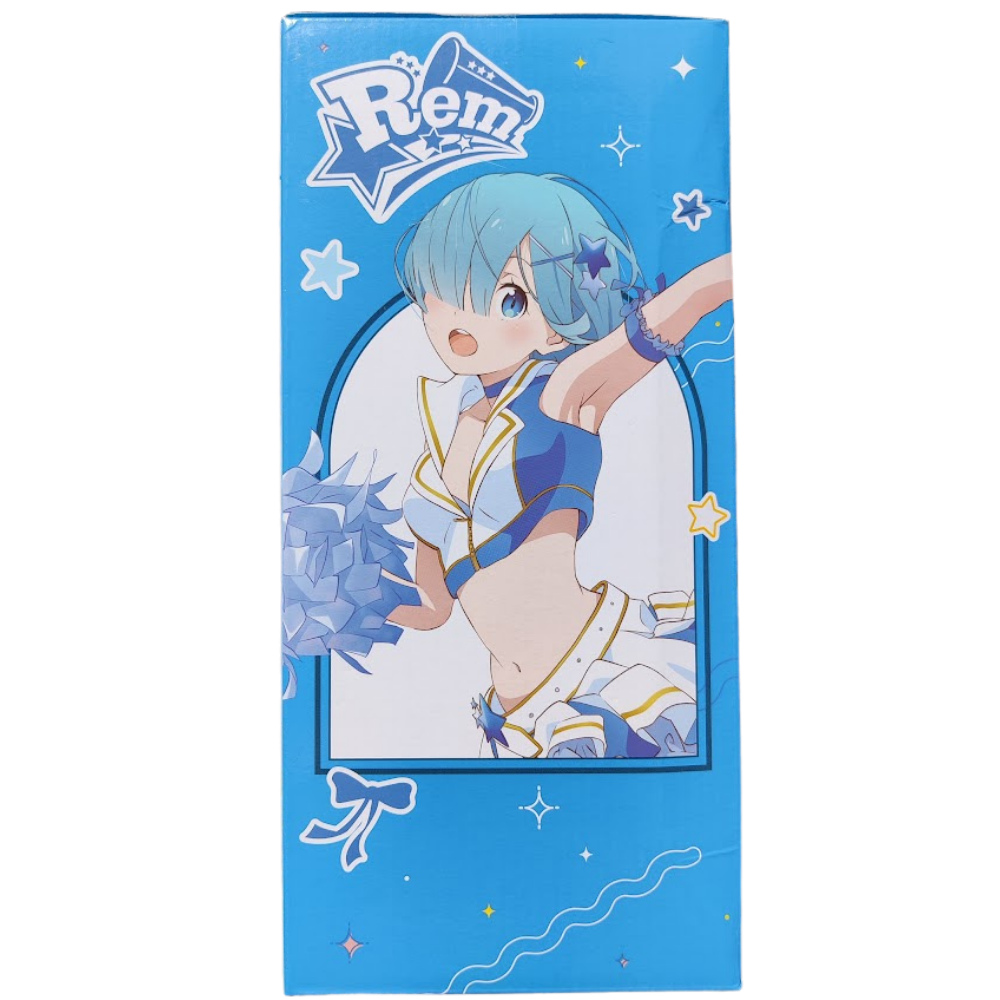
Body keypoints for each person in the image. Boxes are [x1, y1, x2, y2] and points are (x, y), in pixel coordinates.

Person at [380, 172, 734, 759]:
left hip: (600, 673)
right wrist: (335, 603)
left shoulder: (560, 393)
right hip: (511, 715)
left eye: (508, 299)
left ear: (558, 321)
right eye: (445, 293)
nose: (465, 322)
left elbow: (670, 314)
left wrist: (717, 278)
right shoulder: (435, 444)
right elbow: (433, 608)